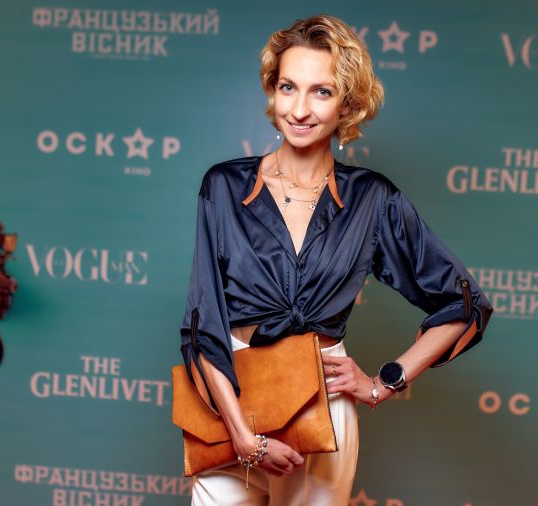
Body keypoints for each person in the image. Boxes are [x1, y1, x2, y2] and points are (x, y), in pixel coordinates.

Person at [179, 15, 493, 505]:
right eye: (288, 87)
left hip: (321, 403)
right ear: (272, 91)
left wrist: (384, 382)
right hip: (228, 401)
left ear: (347, 104)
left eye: (321, 92)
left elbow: (463, 303)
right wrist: (241, 434)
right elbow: (203, 321)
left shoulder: (373, 199)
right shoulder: (223, 186)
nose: (299, 109)